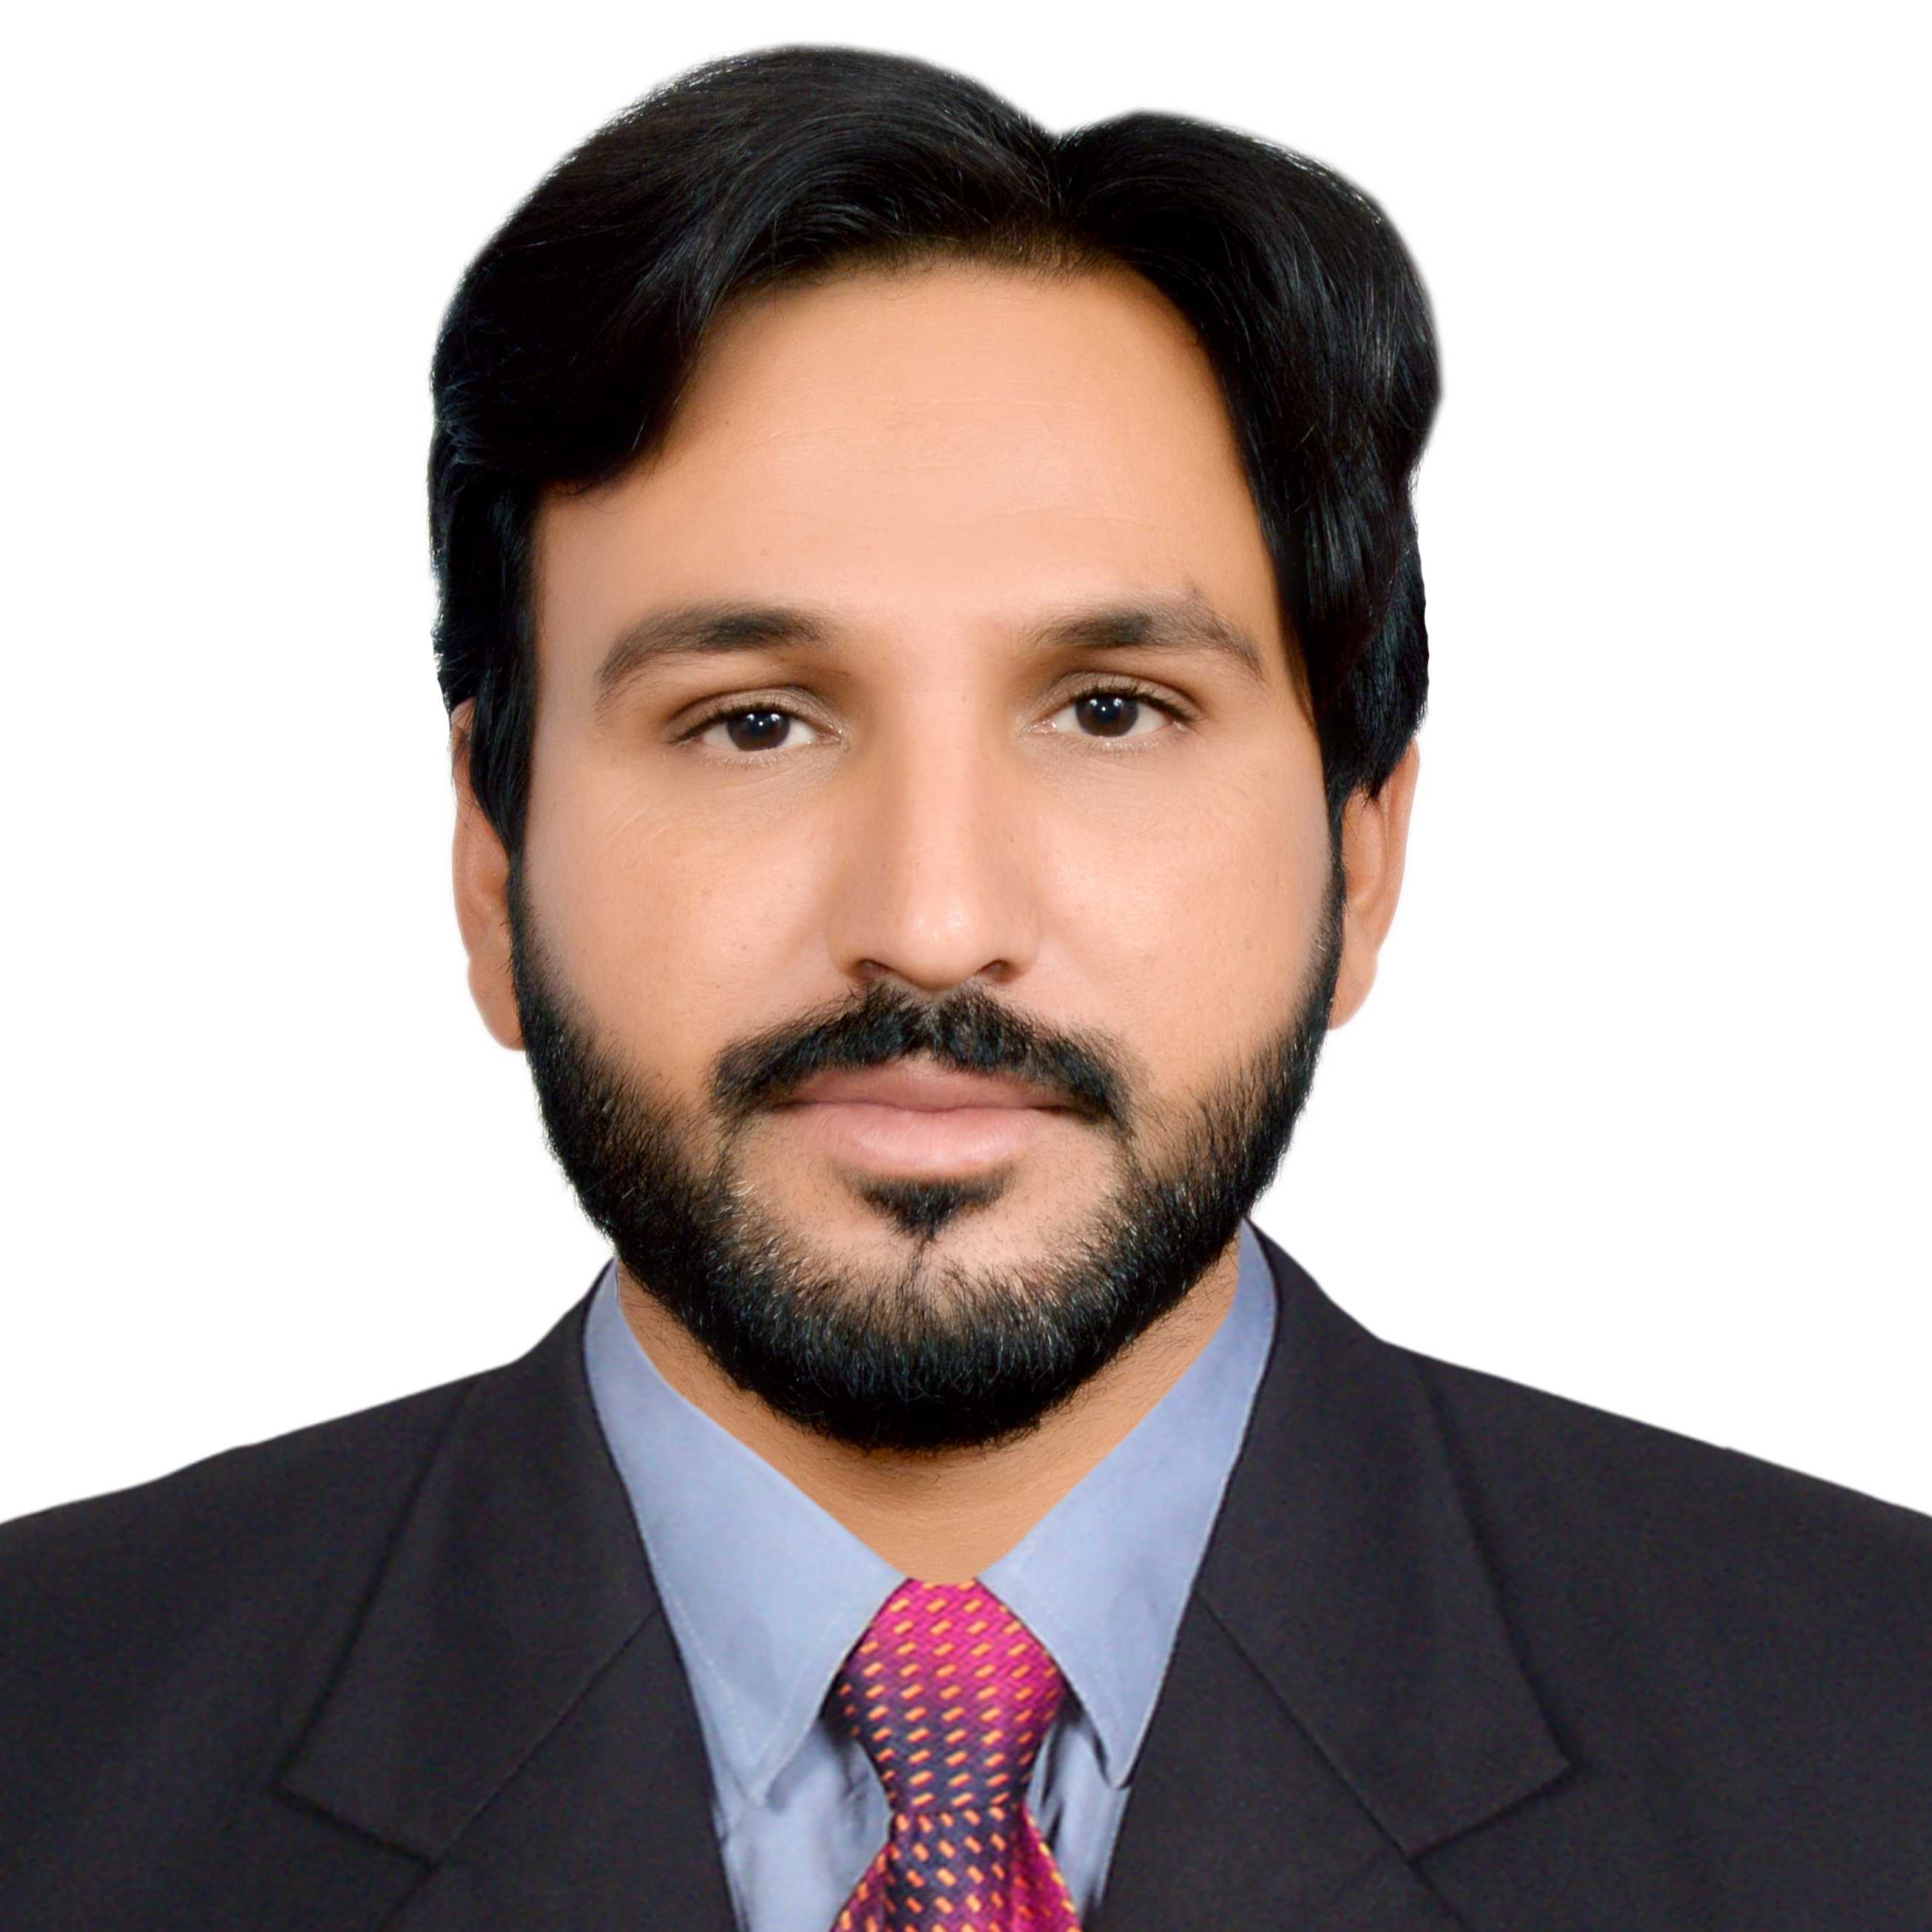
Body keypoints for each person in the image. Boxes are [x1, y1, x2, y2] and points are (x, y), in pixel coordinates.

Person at [2, 40, 1927, 1932]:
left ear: (1361, 855)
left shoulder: (1878, 1736)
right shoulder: (49, 1741)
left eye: (1111, 710)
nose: (930, 922)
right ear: (492, 861)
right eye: (753, 721)